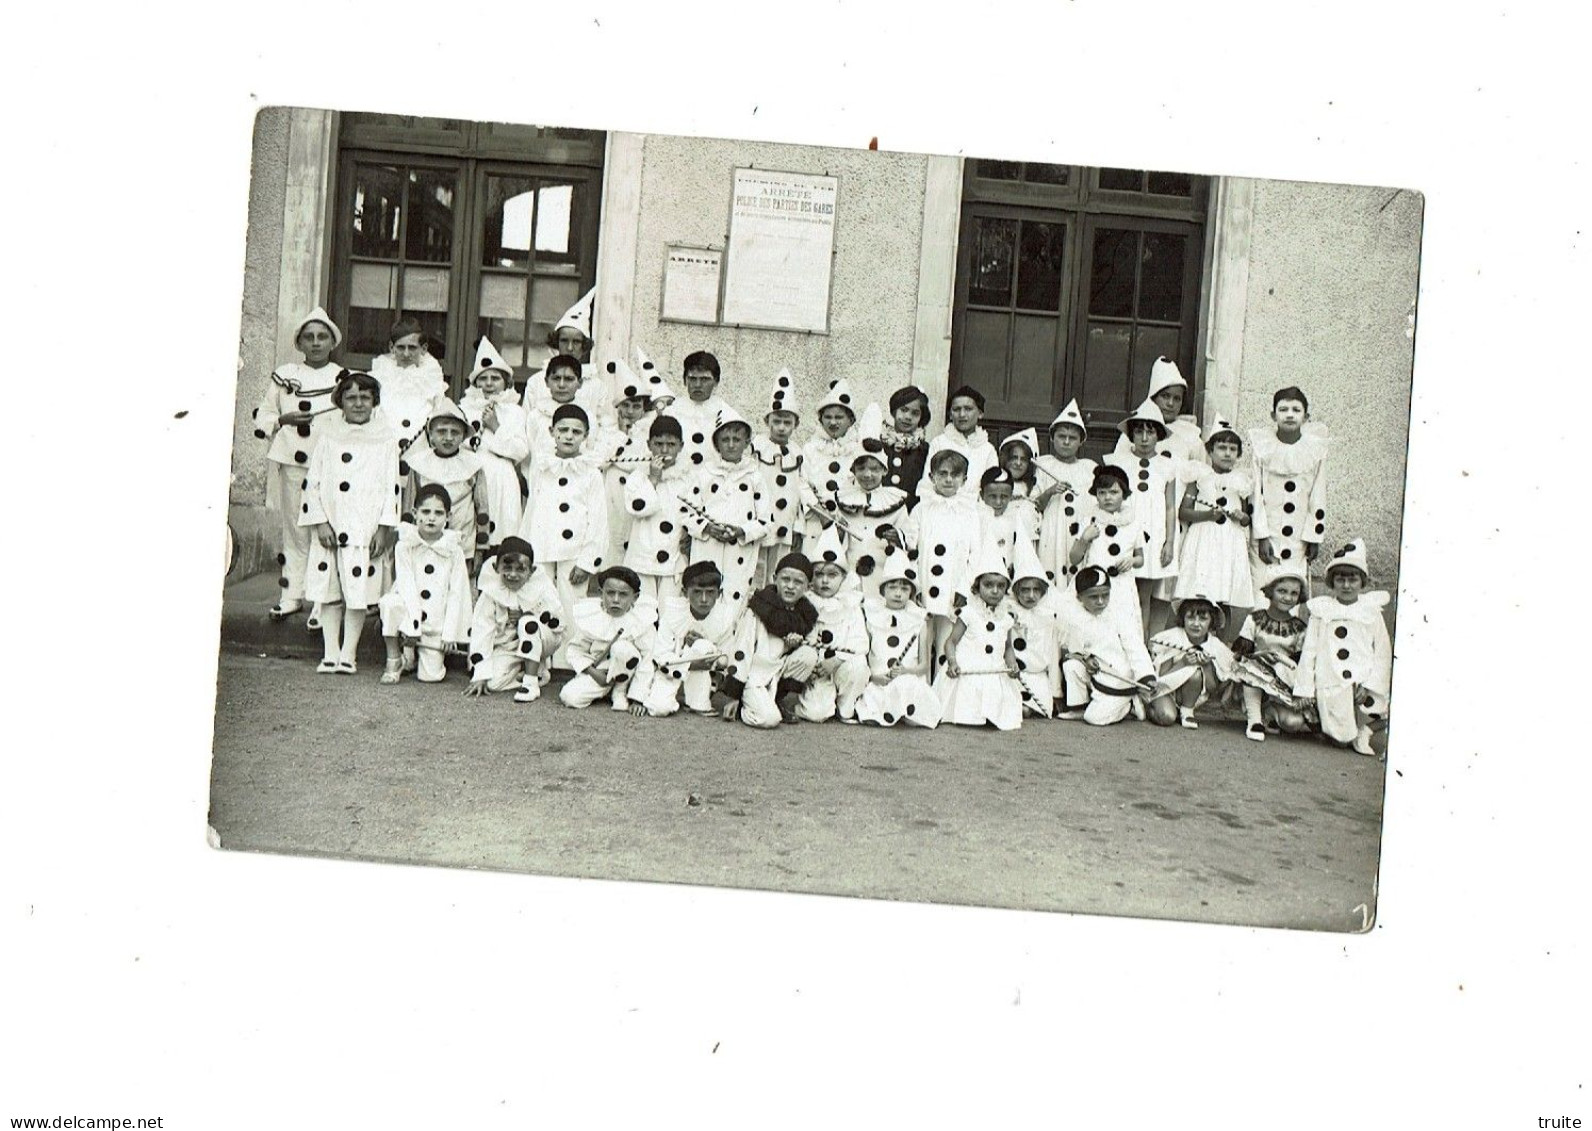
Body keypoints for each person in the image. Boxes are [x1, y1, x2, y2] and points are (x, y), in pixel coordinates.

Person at [301, 370, 401, 674]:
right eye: (351, 397)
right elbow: (312, 482)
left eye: (365, 397)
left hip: (364, 526)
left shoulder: (385, 439)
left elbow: (391, 487)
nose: (358, 403)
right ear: (340, 401)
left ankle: (349, 654)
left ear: (374, 402)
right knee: (331, 591)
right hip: (332, 524)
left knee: (358, 592)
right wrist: (319, 522)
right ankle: (330, 652)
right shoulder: (328, 437)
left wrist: (384, 528)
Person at [253, 306, 344, 620]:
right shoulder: (285, 376)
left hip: (331, 464)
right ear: (300, 343)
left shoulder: (341, 378)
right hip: (293, 460)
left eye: (322, 337)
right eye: (309, 337)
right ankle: (292, 594)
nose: (316, 343)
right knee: (294, 528)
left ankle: (322, 600)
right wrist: (283, 419)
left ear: (332, 342)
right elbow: (263, 415)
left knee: (326, 529)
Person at [516, 403, 609, 649]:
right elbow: (532, 508)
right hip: (542, 545)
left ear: (586, 436)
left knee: (573, 604)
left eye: (576, 432)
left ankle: (570, 661)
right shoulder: (543, 466)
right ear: (552, 431)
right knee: (541, 600)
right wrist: (525, 550)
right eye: (563, 430)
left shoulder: (591, 473)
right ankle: (540, 657)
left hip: (575, 549)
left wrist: (588, 560)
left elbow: (598, 520)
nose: (569, 436)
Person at [1293, 538, 1390, 756]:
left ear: (1362, 582)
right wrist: (1305, 689)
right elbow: (1310, 651)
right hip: (1332, 682)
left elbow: (1382, 652)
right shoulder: (1322, 611)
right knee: (1340, 740)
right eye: (1340, 580)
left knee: (1387, 710)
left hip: (1362, 682)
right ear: (1332, 582)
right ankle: (1341, 729)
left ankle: (1365, 730)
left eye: (1352, 580)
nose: (1346, 586)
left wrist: (1370, 684)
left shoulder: (1371, 611)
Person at [888, 448, 980, 673]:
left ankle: (942, 692)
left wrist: (964, 589)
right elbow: (911, 546)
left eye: (955, 475)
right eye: (943, 474)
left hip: (952, 590)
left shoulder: (970, 513)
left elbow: (975, 554)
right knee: (922, 644)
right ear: (932, 477)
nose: (948, 479)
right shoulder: (922, 509)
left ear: (964, 479)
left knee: (945, 645)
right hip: (925, 587)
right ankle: (922, 692)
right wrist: (916, 585)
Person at [377, 483, 473, 684]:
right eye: (426, 511)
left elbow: (458, 593)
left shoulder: (454, 550)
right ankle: (396, 657)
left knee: (431, 676)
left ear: (448, 517)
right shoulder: (405, 545)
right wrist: (412, 628)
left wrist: (449, 634)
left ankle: (417, 653)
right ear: (414, 513)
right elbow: (406, 586)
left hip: (436, 623)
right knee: (389, 603)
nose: (431, 518)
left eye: (438, 513)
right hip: (409, 617)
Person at [679, 405, 769, 612]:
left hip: (739, 550)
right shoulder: (704, 474)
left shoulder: (754, 476)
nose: (730, 445)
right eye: (725, 440)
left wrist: (741, 531)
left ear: (746, 443)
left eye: (736, 440)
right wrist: (707, 528)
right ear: (716, 444)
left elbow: (766, 521)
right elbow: (686, 512)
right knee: (706, 592)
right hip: (708, 546)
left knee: (735, 596)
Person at [716, 552, 821, 727]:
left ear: (808, 587)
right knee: (769, 719)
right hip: (754, 675)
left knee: (808, 654)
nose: (790, 586)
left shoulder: (806, 613)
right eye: (785, 579)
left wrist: (792, 646)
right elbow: (742, 650)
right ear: (774, 578)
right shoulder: (758, 607)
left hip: (777, 673)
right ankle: (745, 704)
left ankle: (776, 699)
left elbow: (804, 647)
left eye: (798, 582)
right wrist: (734, 694)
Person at [1172, 417, 1255, 639]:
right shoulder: (1199, 476)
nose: (1227, 453)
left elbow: (1247, 519)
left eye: (1232, 449)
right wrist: (1207, 515)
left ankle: (1219, 644)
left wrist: (1242, 516)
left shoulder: (1241, 480)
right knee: (1202, 589)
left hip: (1229, 541)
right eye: (1221, 448)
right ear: (1210, 451)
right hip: (1204, 539)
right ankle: (1194, 638)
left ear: (1238, 454)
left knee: (1224, 591)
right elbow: (1184, 511)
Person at [1106, 398, 1180, 637]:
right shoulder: (1118, 462)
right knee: (1118, 591)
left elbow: (1170, 507)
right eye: (1139, 432)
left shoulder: (1167, 466)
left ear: (1158, 435)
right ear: (1131, 435)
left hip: (1153, 536)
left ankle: (1142, 643)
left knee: (1143, 597)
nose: (1145, 438)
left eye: (1150, 432)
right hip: (1124, 534)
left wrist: (1169, 542)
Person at [1249, 386, 1330, 603]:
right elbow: (1255, 494)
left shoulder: (1315, 450)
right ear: (1273, 415)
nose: (1290, 414)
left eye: (1296, 409)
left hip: (1298, 537)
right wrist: (1261, 535)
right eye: (1283, 409)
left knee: (1290, 592)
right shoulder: (1262, 448)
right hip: (1268, 534)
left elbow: (1318, 494)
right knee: (1263, 591)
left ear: (1306, 416)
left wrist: (1314, 536)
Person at [630, 561, 738, 718]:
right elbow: (660, 655)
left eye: (710, 592)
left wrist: (706, 650)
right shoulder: (674, 614)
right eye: (697, 592)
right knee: (659, 708)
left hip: (706, 676)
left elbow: (726, 658)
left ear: (719, 593)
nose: (703, 599)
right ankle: (676, 695)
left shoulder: (724, 618)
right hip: (671, 672)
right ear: (684, 592)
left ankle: (698, 701)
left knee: (702, 646)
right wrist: (689, 664)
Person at [463, 537, 564, 702]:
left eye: (520, 569)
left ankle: (530, 682)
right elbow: (482, 631)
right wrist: (480, 673)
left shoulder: (541, 586)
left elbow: (558, 624)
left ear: (531, 571)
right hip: (508, 646)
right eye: (507, 568)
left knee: (527, 624)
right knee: (493, 683)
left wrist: (529, 613)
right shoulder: (491, 591)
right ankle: (530, 671)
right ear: (496, 568)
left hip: (543, 640)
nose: (512, 574)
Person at [935, 546, 1022, 731]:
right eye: (988, 585)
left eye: (1000, 586)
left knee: (1000, 705)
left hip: (994, 671)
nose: (995, 591)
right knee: (970, 699)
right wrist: (952, 662)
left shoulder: (1006, 618)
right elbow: (951, 641)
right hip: (968, 670)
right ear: (977, 586)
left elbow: (1007, 647)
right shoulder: (969, 613)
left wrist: (1012, 663)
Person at [1057, 567, 1157, 725]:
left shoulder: (1119, 616)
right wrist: (1086, 659)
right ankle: (1079, 708)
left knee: (1094, 718)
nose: (1100, 601)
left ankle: (1129, 705)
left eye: (1105, 595)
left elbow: (1135, 647)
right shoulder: (1074, 616)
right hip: (1097, 673)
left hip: (1118, 677)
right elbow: (1075, 650)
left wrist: (1146, 676)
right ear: (1079, 597)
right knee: (1071, 665)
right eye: (1093, 597)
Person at [854, 551, 941, 728]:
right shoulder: (871, 615)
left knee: (905, 685)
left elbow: (924, 665)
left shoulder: (918, 619)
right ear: (882, 590)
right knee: (874, 695)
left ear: (911, 592)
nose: (898, 594)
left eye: (904, 589)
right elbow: (864, 654)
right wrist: (874, 677)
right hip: (879, 679)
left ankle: (900, 711)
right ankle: (885, 710)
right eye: (892, 587)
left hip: (908, 677)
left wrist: (906, 671)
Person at [459, 339, 529, 556]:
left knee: (500, 536)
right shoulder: (464, 408)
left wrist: (495, 426)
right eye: (483, 378)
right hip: (474, 475)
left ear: (506, 382)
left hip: (502, 478)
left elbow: (520, 450)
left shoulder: (514, 412)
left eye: (495, 378)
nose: (489, 384)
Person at [795, 526, 871, 723]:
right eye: (819, 575)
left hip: (840, 665)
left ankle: (846, 705)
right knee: (816, 714)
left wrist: (836, 660)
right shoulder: (806, 602)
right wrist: (813, 663)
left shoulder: (851, 604)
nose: (825, 581)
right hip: (817, 669)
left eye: (832, 575)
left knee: (859, 667)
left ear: (843, 577)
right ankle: (819, 699)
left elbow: (861, 644)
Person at [834, 407, 910, 601]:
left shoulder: (895, 502)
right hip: (851, 569)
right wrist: (839, 533)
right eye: (861, 468)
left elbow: (908, 536)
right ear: (853, 469)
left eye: (875, 469)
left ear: (884, 471)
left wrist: (897, 537)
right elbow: (836, 540)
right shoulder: (844, 499)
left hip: (882, 572)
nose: (868, 474)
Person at [558, 567, 660, 711]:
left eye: (623, 594)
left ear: (635, 597)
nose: (616, 600)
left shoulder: (642, 621)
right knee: (569, 697)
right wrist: (594, 673)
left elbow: (647, 660)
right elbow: (575, 651)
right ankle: (606, 691)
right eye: (610, 593)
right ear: (601, 593)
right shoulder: (592, 617)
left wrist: (638, 699)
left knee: (621, 647)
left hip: (630, 677)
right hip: (601, 674)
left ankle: (619, 692)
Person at [404, 400, 489, 568]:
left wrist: (480, 547)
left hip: (463, 543)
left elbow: (482, 508)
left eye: (455, 432)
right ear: (431, 435)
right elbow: (409, 506)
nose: (448, 437)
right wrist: (408, 542)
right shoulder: (419, 464)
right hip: (425, 542)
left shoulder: (473, 465)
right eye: (442, 431)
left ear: (463, 436)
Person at [1231, 570, 1313, 742]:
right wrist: (1261, 655)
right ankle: (1254, 720)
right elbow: (1240, 654)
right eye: (1282, 591)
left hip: (1282, 680)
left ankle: (1268, 711)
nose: (1287, 597)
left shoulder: (1300, 628)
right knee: (1252, 667)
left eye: (1294, 593)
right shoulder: (1255, 619)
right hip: (1253, 676)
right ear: (1270, 592)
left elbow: (1300, 663)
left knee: (1293, 723)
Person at [1067, 465, 1145, 639]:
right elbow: (1073, 558)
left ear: (1124, 493)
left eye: (1113, 492)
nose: (1107, 497)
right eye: (1102, 493)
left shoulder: (1133, 522)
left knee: (1122, 630)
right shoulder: (1089, 520)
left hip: (1122, 586)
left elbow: (1141, 558)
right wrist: (1085, 538)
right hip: (1095, 585)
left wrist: (1132, 561)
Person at [622, 415, 693, 603]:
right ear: (649, 444)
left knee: (669, 609)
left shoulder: (687, 478)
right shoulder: (638, 476)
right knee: (644, 610)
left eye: (671, 445)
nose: (664, 450)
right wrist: (653, 479)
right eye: (658, 443)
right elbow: (637, 508)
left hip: (673, 559)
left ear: (681, 446)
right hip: (642, 557)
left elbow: (693, 513)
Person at [520, 288, 608, 425]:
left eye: (577, 342)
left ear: (584, 345)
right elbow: (525, 423)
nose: (570, 348)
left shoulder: (597, 386)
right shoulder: (536, 382)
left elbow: (603, 425)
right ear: (556, 342)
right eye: (564, 341)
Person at [751, 367, 805, 585]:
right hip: (762, 518)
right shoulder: (757, 447)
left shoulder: (798, 453)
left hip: (786, 522)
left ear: (795, 425)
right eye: (776, 422)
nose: (781, 428)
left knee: (779, 567)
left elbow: (802, 490)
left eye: (787, 423)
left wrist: (799, 526)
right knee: (757, 567)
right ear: (768, 422)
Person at [1034, 399, 1098, 586]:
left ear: (1081, 442)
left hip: (1079, 530)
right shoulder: (1044, 464)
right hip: (1053, 530)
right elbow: (1035, 504)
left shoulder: (1089, 468)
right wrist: (1050, 492)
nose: (1067, 442)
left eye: (1073, 438)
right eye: (1062, 437)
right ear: (1053, 438)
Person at [1146, 596, 1235, 728]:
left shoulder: (1216, 646)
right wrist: (1182, 663)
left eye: (1203, 619)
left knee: (1196, 673)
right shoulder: (1171, 638)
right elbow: (1162, 678)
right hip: (1165, 691)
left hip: (1191, 697)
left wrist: (1207, 666)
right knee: (1167, 717)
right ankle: (1147, 706)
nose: (1196, 623)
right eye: (1190, 617)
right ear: (1183, 618)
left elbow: (1212, 689)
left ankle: (1187, 711)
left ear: (1212, 621)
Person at [371, 315, 447, 456]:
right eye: (401, 347)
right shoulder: (379, 376)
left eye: (412, 347)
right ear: (391, 347)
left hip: (420, 450)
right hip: (385, 449)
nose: (406, 354)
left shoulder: (432, 378)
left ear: (423, 349)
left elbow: (438, 414)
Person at [799, 378, 864, 544]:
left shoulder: (858, 449)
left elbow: (863, 483)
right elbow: (802, 483)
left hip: (850, 520)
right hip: (816, 521)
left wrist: (849, 507)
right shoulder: (811, 448)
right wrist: (821, 513)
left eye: (839, 417)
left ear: (850, 420)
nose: (833, 422)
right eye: (827, 417)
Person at [1007, 541, 1062, 718]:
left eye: (1036, 590)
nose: (1031, 596)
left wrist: (1055, 691)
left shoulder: (1047, 616)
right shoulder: (1008, 612)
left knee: (1029, 709)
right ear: (1016, 591)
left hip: (1037, 677)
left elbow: (1054, 656)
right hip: (1013, 676)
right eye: (1025, 590)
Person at [919, 384, 998, 499]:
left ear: (980, 413)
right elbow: (928, 483)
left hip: (974, 511)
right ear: (950, 415)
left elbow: (991, 487)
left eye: (968, 409)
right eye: (956, 409)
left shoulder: (987, 449)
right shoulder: (939, 443)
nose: (962, 414)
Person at [663, 350, 731, 471]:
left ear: (716, 382)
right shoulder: (671, 412)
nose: (698, 384)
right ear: (685, 380)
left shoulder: (725, 414)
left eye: (705, 379)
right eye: (693, 379)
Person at [522, 352, 592, 465]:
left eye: (569, 379)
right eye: (556, 378)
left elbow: (589, 450)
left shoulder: (587, 415)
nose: (561, 385)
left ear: (580, 383)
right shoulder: (536, 415)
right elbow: (530, 453)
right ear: (546, 382)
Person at [872, 385, 932, 504]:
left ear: (921, 418)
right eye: (903, 410)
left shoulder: (924, 449)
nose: (908, 417)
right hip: (879, 507)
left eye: (915, 413)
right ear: (894, 411)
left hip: (909, 511)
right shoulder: (880, 443)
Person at [976, 466, 1035, 575]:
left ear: (1011, 496)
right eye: (992, 496)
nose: (998, 502)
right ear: (982, 495)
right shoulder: (976, 520)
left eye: (1004, 496)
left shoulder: (1017, 519)